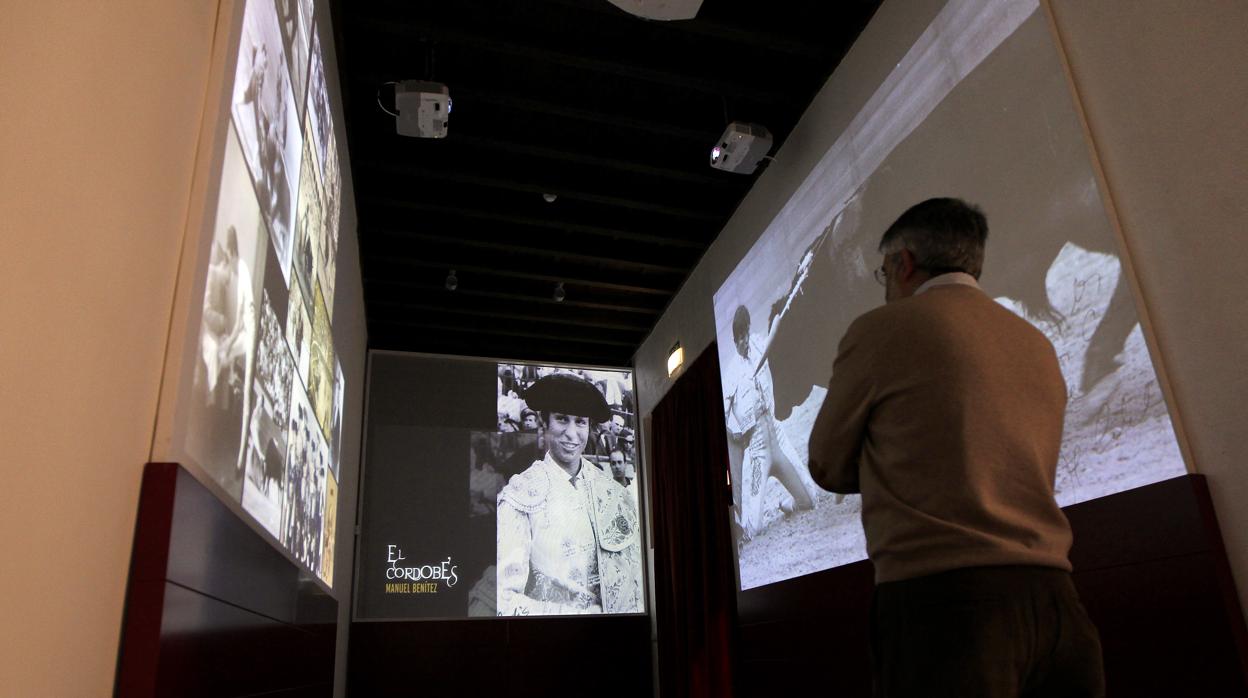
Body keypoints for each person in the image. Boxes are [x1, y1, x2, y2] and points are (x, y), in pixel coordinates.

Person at [807, 198, 1104, 697]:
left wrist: (894, 463)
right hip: (1058, 601)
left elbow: (826, 463)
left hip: (943, 605)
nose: (885, 289)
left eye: (883, 273)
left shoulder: (881, 330)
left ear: (903, 263)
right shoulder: (1034, 341)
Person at [495, 373, 644, 615]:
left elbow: (634, 579)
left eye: (580, 422)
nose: (572, 434)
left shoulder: (612, 492)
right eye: (562, 419)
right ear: (545, 423)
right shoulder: (519, 496)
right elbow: (504, 597)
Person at [724, 304, 815, 539]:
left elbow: (776, 334)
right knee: (752, 529)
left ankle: (788, 504)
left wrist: (778, 320)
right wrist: (735, 433)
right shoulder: (732, 373)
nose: (743, 341)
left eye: (745, 334)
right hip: (756, 450)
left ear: (749, 331)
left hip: (778, 436)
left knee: (809, 500)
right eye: (739, 338)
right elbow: (724, 419)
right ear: (734, 341)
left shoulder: (758, 344)